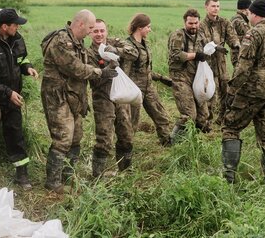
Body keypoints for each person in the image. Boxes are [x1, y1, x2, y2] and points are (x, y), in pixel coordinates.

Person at [41, 10, 118, 193]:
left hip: (73, 95)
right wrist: (100, 72)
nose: (92, 32)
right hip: (57, 96)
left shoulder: (78, 42)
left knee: (76, 137)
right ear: (81, 24)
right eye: (91, 28)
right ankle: (53, 182)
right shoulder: (61, 41)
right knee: (63, 137)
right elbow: (75, 68)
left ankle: (68, 177)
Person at [221, 0, 265, 183]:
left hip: (250, 92)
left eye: (249, 13)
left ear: (255, 14)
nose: (248, 15)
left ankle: (228, 177)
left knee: (230, 128)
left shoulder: (253, 35)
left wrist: (232, 91)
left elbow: (243, 68)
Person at [0, 8, 39, 190]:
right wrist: (8, 93)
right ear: (4, 26)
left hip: (13, 100)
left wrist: (28, 68)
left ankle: (22, 175)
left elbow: (22, 59)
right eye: (15, 24)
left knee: (16, 135)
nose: (18, 27)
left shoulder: (17, 39)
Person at [87, 19, 135, 176]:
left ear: (106, 31)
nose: (99, 34)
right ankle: (97, 175)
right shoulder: (88, 53)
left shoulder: (114, 42)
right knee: (105, 137)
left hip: (120, 95)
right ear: (90, 33)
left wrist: (115, 50)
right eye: (95, 31)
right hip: (102, 96)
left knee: (126, 134)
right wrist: (105, 70)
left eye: (102, 30)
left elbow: (133, 52)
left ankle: (126, 171)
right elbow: (91, 78)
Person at [122, 13, 172, 146]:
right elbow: (124, 73)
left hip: (148, 87)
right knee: (131, 123)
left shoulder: (145, 44)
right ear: (140, 28)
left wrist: (162, 78)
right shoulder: (128, 47)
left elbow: (146, 69)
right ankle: (126, 151)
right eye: (148, 27)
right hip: (134, 90)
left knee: (161, 116)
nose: (150, 30)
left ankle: (167, 144)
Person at [168, 9, 210, 142]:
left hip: (196, 77)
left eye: (196, 23)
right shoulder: (178, 35)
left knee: (203, 115)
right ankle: (174, 141)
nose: (193, 26)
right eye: (190, 23)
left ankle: (193, 141)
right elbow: (175, 55)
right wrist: (195, 56)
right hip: (180, 77)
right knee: (189, 114)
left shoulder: (201, 35)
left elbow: (206, 51)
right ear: (185, 22)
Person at [197, 0, 240, 124]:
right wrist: (216, 46)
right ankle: (207, 120)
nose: (216, 8)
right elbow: (203, 42)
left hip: (222, 64)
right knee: (211, 93)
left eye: (217, 6)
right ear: (206, 7)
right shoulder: (201, 25)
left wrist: (236, 44)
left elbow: (232, 37)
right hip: (208, 64)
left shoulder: (224, 22)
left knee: (226, 91)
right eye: (213, 6)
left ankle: (222, 118)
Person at [230, 0, 251, 68]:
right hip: (239, 56)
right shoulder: (240, 22)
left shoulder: (235, 18)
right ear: (245, 9)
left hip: (237, 55)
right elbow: (250, 37)